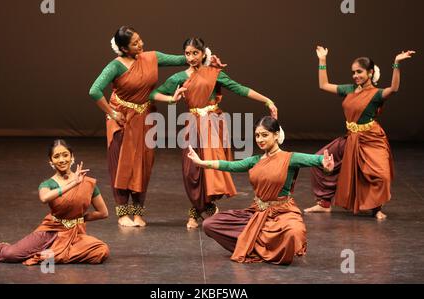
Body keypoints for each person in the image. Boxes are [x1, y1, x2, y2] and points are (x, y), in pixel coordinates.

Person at [89, 27, 224, 227]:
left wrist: (207, 61)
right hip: (123, 119)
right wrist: (111, 112)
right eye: (135, 43)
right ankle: (123, 214)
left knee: (143, 164)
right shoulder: (115, 66)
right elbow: (94, 90)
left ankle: (138, 213)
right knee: (121, 166)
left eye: (140, 39)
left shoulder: (151, 57)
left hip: (145, 117)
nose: (141, 44)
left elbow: (183, 59)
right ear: (124, 49)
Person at [150, 37, 278, 229]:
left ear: (203, 53)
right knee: (191, 171)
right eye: (187, 53)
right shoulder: (179, 77)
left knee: (207, 170)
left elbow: (240, 89)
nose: (191, 57)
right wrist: (171, 99)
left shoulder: (214, 73)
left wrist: (266, 100)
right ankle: (206, 210)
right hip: (192, 126)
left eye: (195, 53)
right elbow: (153, 94)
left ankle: (196, 212)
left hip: (212, 124)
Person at [187, 116, 334, 264]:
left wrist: (325, 164)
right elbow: (230, 166)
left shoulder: (290, 158)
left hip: (282, 213)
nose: (260, 139)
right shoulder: (255, 161)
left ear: (276, 135)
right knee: (210, 225)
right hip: (257, 213)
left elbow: (315, 160)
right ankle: (255, 247)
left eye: (265, 135)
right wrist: (201, 162)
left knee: (294, 233)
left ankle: (258, 246)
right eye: (257, 135)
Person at [304, 46, 415, 220]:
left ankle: (376, 208)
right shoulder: (349, 89)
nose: (355, 76)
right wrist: (322, 60)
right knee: (319, 160)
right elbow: (323, 85)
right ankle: (324, 204)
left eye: (359, 72)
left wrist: (396, 64)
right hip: (351, 138)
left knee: (381, 175)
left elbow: (393, 88)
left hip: (372, 139)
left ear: (370, 72)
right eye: (353, 72)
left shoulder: (376, 94)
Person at [0, 139, 109, 265]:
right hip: (51, 230)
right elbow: (44, 198)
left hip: (74, 234)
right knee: (11, 254)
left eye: (65, 155)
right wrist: (73, 183)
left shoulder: (88, 183)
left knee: (101, 251)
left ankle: (52, 254)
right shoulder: (47, 184)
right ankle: (2, 246)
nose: (62, 160)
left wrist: (78, 219)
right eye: (56, 156)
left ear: (72, 157)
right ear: (51, 161)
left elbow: (103, 213)